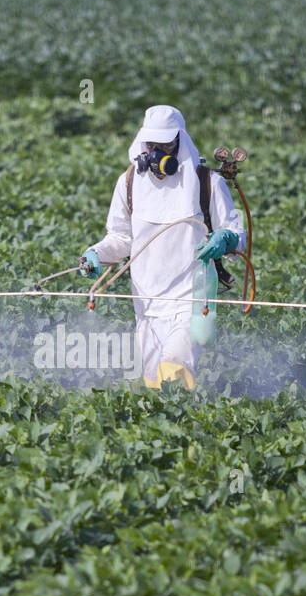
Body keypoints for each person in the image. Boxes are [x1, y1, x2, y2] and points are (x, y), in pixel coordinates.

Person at [79, 105, 246, 389]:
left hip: (189, 297)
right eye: (151, 145)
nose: (156, 153)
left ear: (179, 142)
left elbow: (235, 233)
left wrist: (224, 240)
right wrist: (97, 254)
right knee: (153, 381)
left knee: (175, 369)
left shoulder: (208, 182)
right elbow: (120, 238)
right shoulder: (129, 182)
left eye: (164, 144)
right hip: (145, 300)